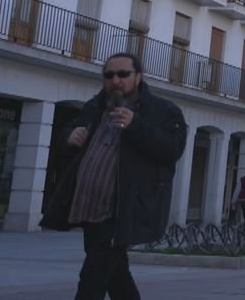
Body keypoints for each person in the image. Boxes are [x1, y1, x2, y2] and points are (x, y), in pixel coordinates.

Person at [40, 52, 187, 300]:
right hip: (88, 208)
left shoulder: (163, 111)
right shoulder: (95, 106)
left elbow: (172, 149)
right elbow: (67, 133)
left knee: (92, 278)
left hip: (121, 210)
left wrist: (135, 125)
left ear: (138, 77)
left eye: (123, 74)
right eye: (109, 75)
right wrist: (69, 136)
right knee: (117, 276)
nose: (115, 80)